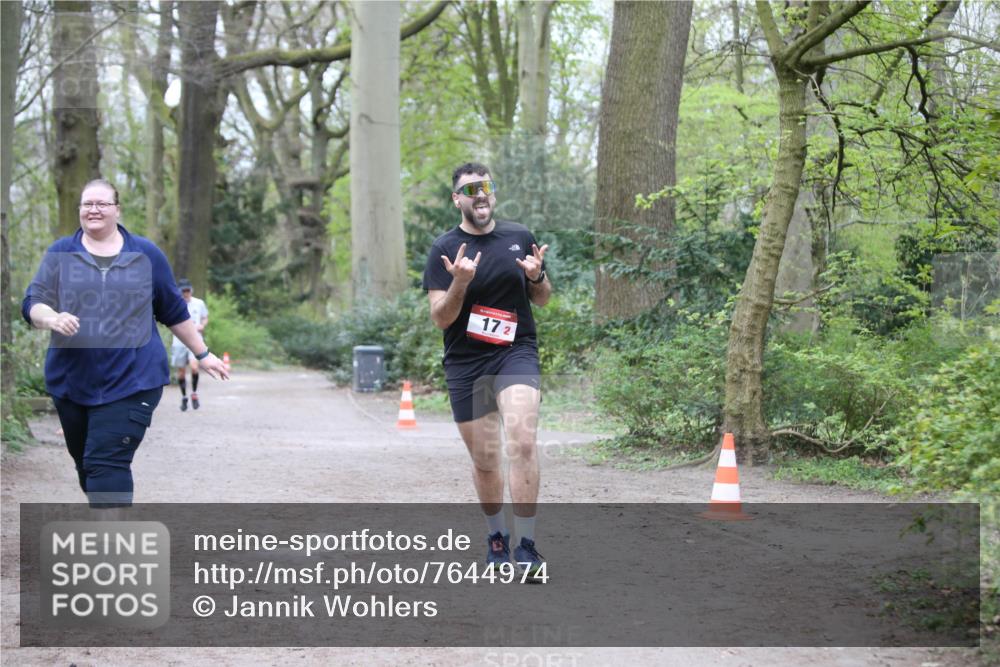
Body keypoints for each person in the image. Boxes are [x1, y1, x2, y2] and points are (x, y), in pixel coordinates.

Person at [21, 178, 229, 507]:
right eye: (87, 203)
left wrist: (202, 353)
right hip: (72, 381)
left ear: (117, 210)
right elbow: (34, 302)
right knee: (87, 465)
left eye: (102, 203)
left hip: (133, 380)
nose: (94, 209)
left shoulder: (145, 255)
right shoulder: (61, 253)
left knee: (106, 462)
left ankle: (111, 534)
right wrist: (52, 318)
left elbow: (173, 311)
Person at [423, 162, 552, 577]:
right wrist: (460, 281)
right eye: (470, 189)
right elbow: (440, 318)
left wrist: (537, 276)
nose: (480, 194)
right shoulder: (444, 249)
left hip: (515, 352)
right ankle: (497, 537)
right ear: (456, 200)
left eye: (486, 186)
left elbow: (543, 298)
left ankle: (527, 546)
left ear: (493, 194)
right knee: (486, 459)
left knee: (523, 441)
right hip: (467, 362)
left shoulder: (519, 237)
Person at [171, 278, 209, 411]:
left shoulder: (199, 303)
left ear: (191, 290)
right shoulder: (175, 304)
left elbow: (205, 317)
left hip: (195, 340)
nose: (186, 293)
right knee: (181, 372)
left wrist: (202, 325)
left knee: (194, 367)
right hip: (179, 341)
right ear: (179, 292)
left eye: (188, 290)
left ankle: (194, 393)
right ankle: (184, 397)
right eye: (184, 291)